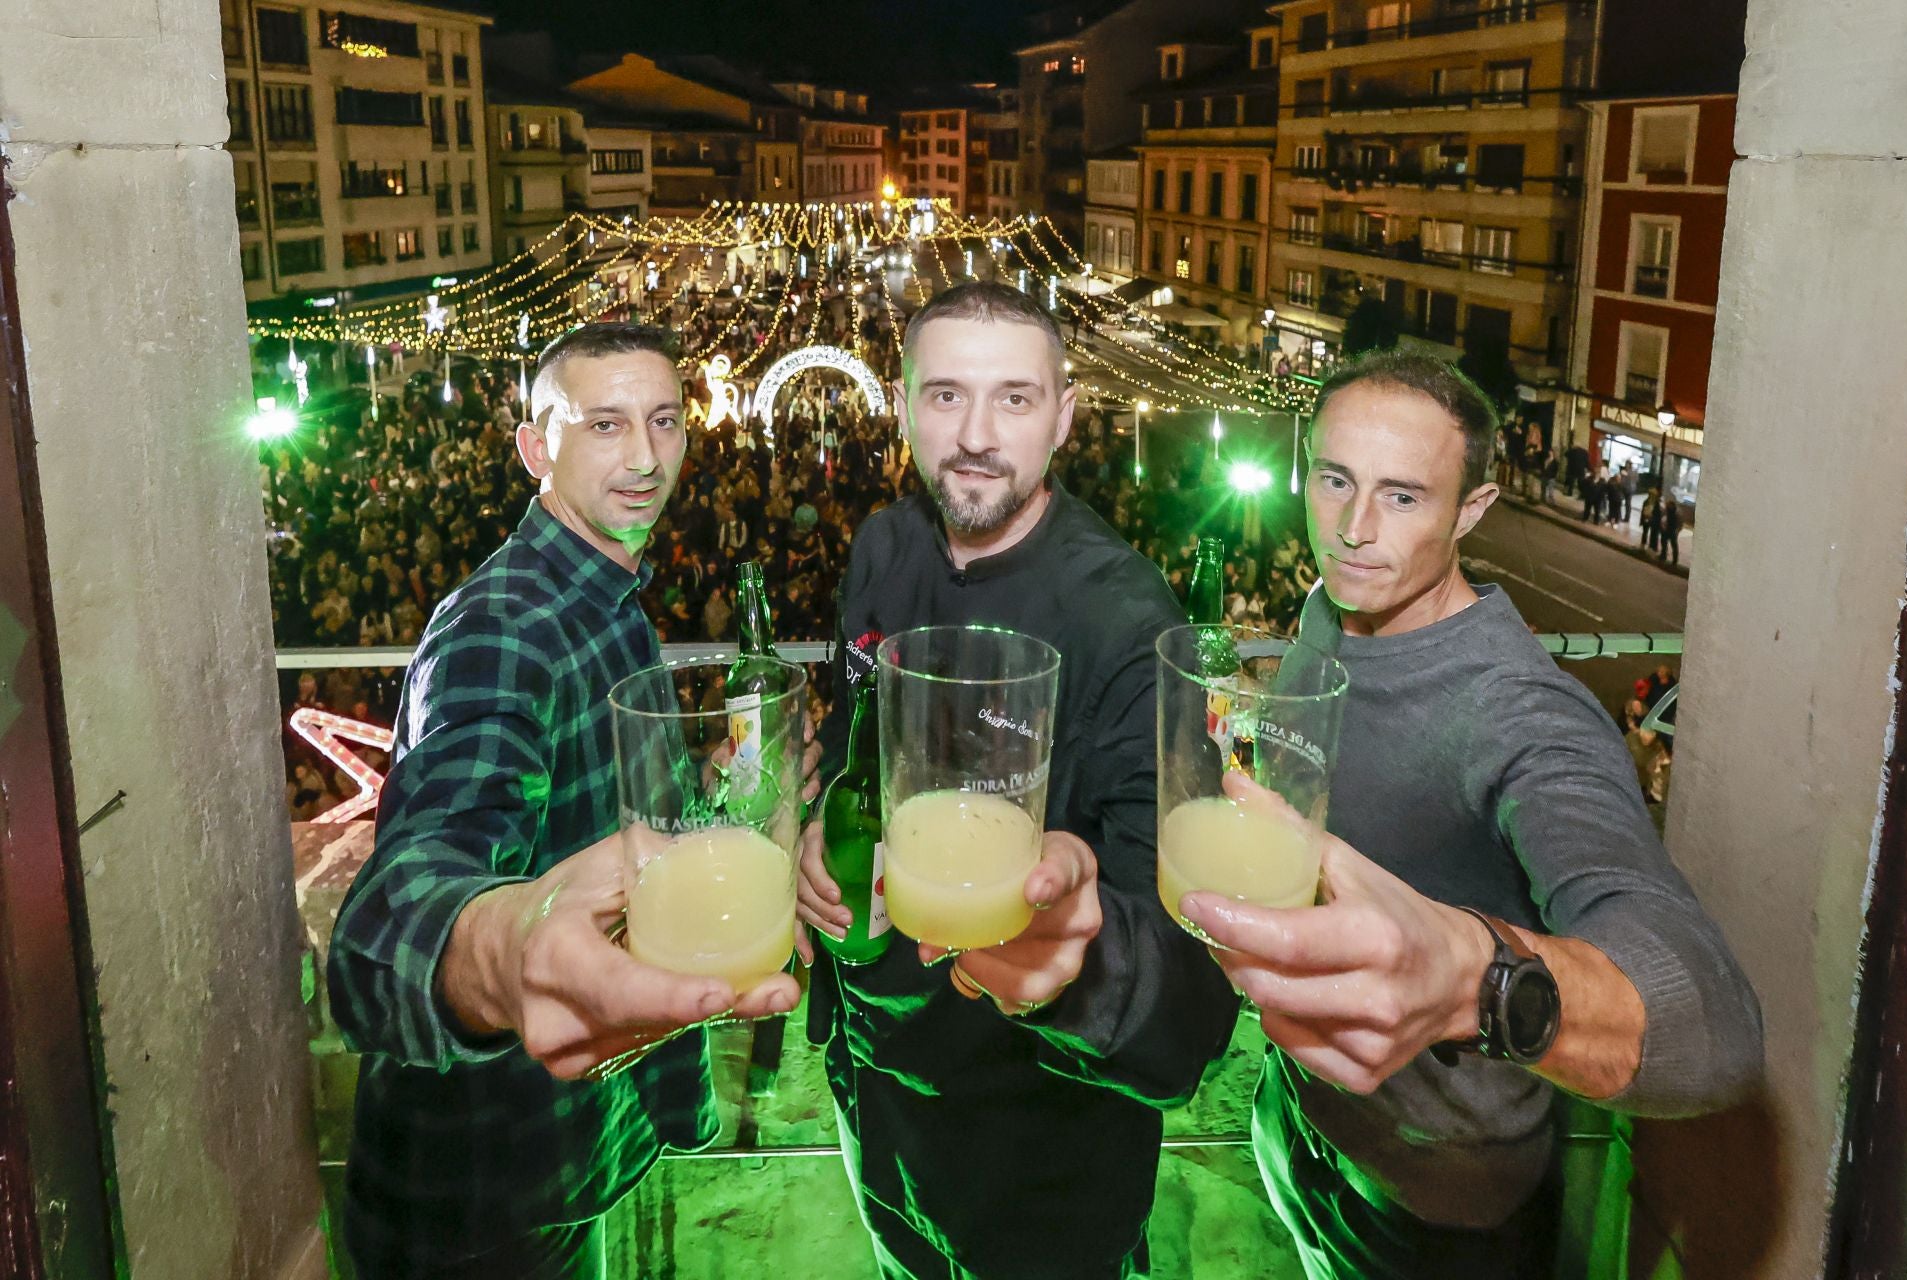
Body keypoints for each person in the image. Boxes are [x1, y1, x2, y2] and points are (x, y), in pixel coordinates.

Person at [1177, 350, 1763, 1280]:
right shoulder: (1330, 613)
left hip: (1439, 1214)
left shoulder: (1525, 714)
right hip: (1297, 1125)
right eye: (1335, 481)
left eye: (1404, 497)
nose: (1355, 529)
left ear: (1472, 511)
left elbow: (1716, 1025)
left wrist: (1473, 981)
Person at [328, 323, 809, 1278]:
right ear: (536, 447)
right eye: (603, 425)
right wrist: (500, 945)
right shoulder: (505, 627)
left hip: (560, 1156)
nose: (643, 456)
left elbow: (592, 824)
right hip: (485, 1193)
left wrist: (705, 797)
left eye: (664, 421)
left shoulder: (600, 598)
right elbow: (411, 891)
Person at [798, 281, 1239, 1278]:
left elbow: (1191, 994)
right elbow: (847, 733)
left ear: (1065, 417)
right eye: (947, 395)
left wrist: (1081, 964)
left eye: (1015, 399)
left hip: (1041, 1142)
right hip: (875, 1095)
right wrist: (811, 827)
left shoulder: (1127, 623)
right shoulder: (882, 547)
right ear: (904, 403)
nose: (976, 435)